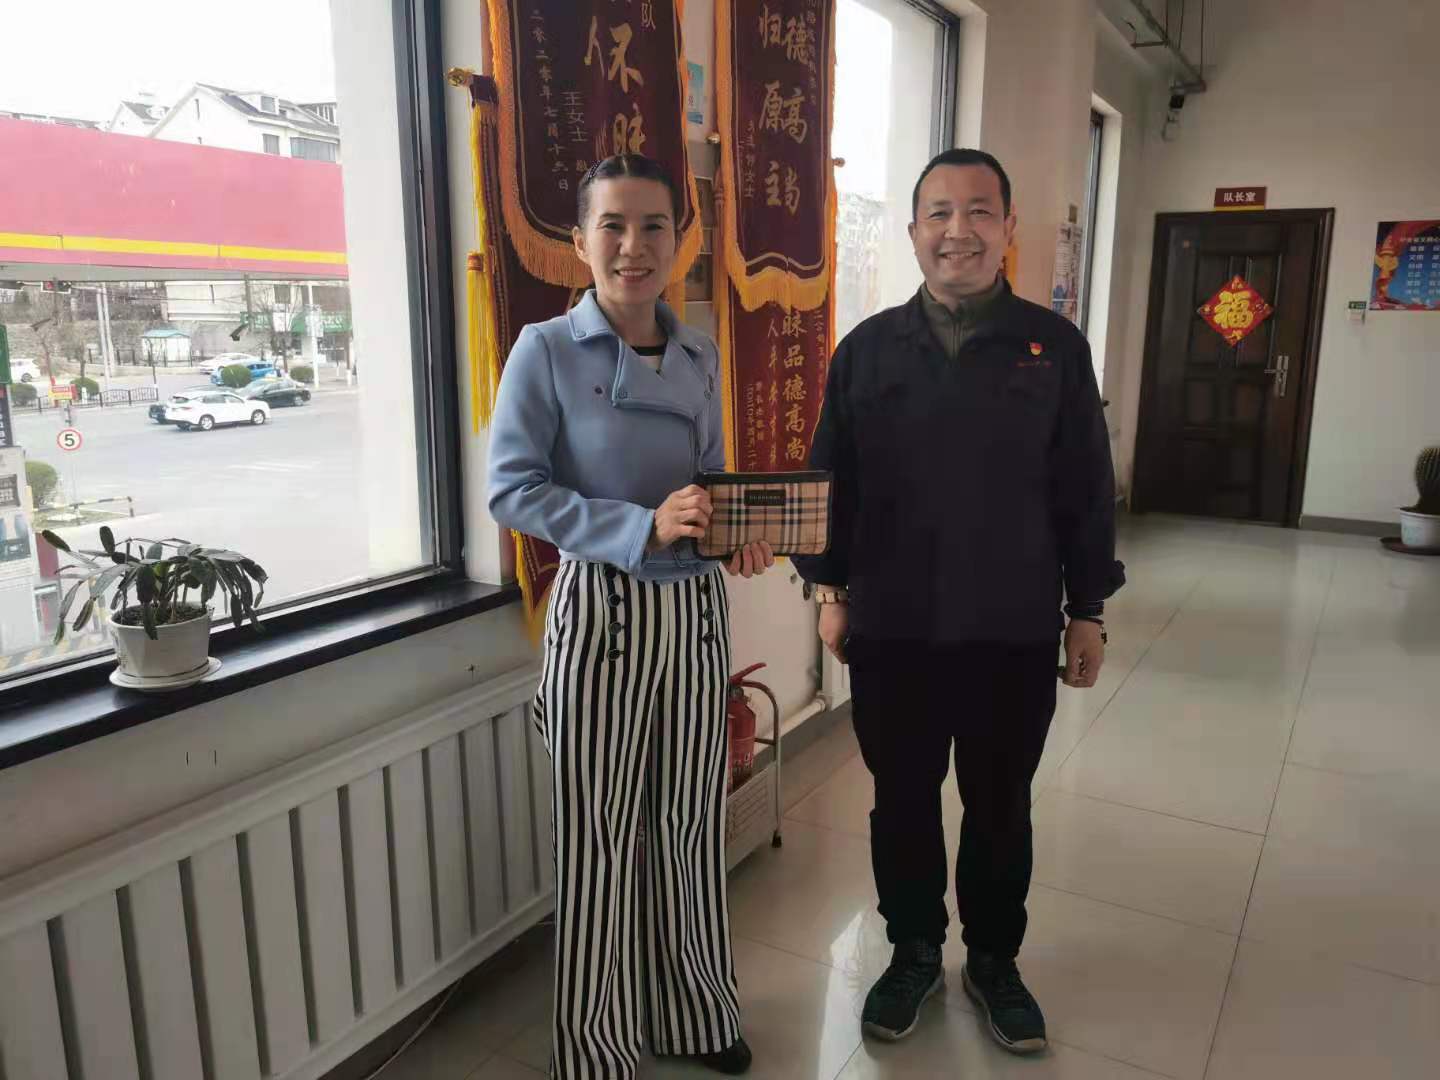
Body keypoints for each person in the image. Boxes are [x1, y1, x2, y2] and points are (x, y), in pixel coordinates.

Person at [794, 148, 1124, 1054]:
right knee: (901, 800)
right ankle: (912, 951)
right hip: (893, 627)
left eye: (979, 212)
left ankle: (992, 960)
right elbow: (832, 481)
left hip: (1010, 627)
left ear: (1008, 229)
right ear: (912, 232)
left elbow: (1085, 491)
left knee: (999, 804)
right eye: (938, 213)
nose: (958, 231)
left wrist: (1087, 608)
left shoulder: (1053, 349)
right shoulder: (867, 351)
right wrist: (829, 588)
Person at [488, 154, 773, 1080]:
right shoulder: (545, 350)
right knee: (598, 836)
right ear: (579, 241)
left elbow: (712, 483)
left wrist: (736, 539)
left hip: (693, 611)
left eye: (654, 225)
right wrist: (636, 525)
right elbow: (512, 489)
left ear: (678, 241)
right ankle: (596, 1045)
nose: (633, 246)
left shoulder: (698, 353)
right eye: (612, 225)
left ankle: (697, 1011)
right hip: (602, 610)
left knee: (689, 820)